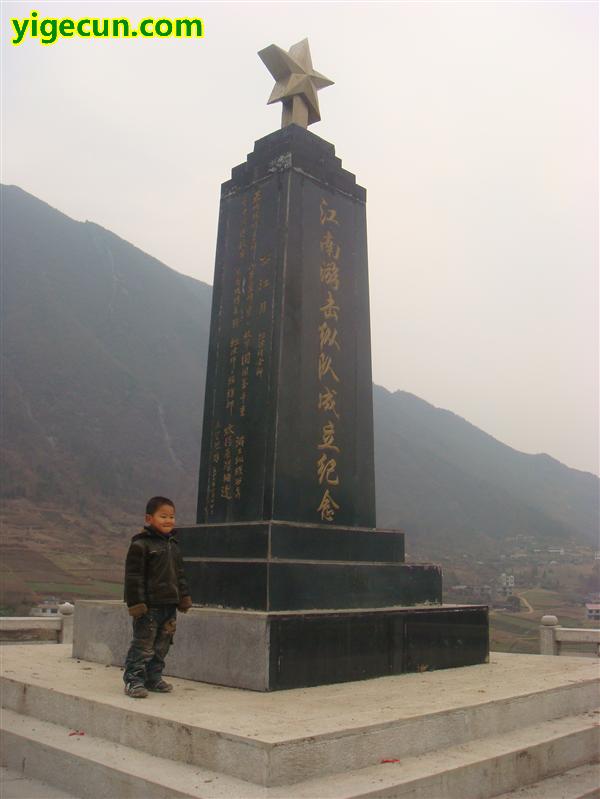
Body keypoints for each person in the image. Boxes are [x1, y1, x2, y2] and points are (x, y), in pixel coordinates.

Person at [122, 496, 192, 698]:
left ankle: (153, 677)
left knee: (162, 644)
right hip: (149, 606)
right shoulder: (141, 545)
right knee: (143, 644)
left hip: (169, 605)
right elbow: (133, 577)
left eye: (171, 516)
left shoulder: (174, 545)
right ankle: (133, 680)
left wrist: (184, 596)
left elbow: (180, 575)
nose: (168, 520)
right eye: (163, 516)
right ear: (149, 518)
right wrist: (137, 603)